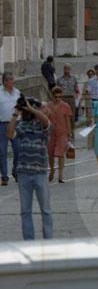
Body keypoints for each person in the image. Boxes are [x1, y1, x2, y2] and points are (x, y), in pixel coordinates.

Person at [7, 96, 53, 240]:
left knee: (45, 210)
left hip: (40, 172)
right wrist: (16, 113)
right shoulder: (21, 125)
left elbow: (45, 121)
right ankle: (29, 241)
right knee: (25, 210)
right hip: (23, 173)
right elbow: (9, 134)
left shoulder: (43, 125)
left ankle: (48, 240)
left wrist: (31, 109)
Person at [46, 86, 72, 183]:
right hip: (51, 133)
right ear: (52, 96)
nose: (57, 99)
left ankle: (61, 175)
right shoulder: (48, 106)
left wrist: (69, 133)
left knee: (61, 154)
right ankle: (52, 170)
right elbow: (45, 119)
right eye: (55, 97)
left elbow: (68, 120)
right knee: (51, 154)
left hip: (62, 132)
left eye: (59, 97)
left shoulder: (65, 106)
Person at [0, 72, 20, 186]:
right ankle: (4, 176)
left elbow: (22, 106)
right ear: (5, 81)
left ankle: (15, 171)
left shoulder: (17, 92)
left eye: (12, 79)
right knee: (2, 151)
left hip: (16, 124)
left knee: (18, 149)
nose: (12, 81)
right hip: (2, 124)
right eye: (10, 79)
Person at [56, 63, 78, 137]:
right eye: (65, 68)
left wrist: (76, 96)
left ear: (70, 69)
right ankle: (64, 132)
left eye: (68, 68)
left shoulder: (74, 79)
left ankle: (72, 132)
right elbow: (57, 90)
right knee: (62, 115)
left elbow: (76, 89)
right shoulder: (59, 80)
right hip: (63, 98)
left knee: (72, 116)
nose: (66, 70)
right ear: (63, 69)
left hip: (71, 98)